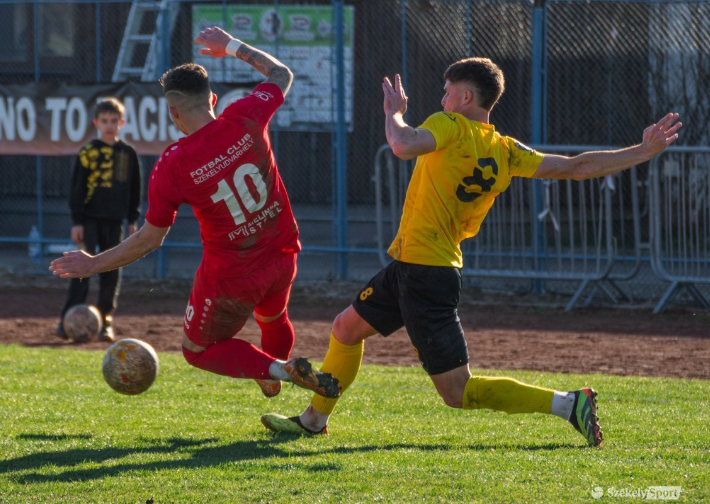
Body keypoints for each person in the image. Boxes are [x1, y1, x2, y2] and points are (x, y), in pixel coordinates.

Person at [261, 57, 683, 447]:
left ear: (465, 97)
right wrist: (643, 151)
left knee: (457, 393)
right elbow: (576, 168)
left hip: (426, 274)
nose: (442, 99)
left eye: (447, 91)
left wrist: (394, 111)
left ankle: (569, 404)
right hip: (415, 266)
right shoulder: (504, 148)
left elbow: (402, 144)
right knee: (345, 328)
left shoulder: (450, 124)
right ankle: (313, 421)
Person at [49, 27, 340, 399]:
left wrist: (93, 264)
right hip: (283, 254)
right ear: (213, 98)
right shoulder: (245, 115)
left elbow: (150, 239)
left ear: (173, 112)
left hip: (232, 275)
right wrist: (231, 46)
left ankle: (277, 370)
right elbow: (281, 73)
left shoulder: (174, 163)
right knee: (273, 318)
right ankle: (276, 374)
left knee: (197, 350)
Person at [56, 97, 142, 342]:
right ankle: (67, 319)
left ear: (121, 123)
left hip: (115, 223)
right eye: (104, 121)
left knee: (111, 271)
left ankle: (105, 321)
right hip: (89, 222)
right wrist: (77, 221)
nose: (109, 125)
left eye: (114, 121)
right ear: (96, 123)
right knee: (81, 269)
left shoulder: (128, 153)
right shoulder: (88, 152)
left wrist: (132, 219)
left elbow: (135, 189)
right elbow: (78, 189)